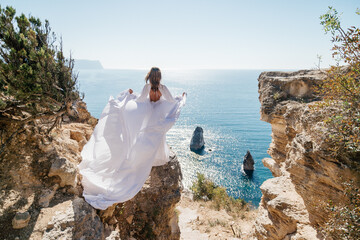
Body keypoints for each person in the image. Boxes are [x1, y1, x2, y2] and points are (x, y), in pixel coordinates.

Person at [78, 67, 186, 210]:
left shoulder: (147, 88)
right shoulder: (163, 88)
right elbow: (172, 100)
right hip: (157, 118)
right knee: (157, 137)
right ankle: (157, 156)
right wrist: (181, 98)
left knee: (145, 137)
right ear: (159, 77)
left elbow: (140, 99)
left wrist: (129, 95)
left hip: (147, 116)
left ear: (149, 76)